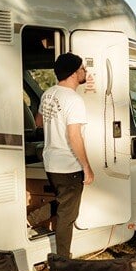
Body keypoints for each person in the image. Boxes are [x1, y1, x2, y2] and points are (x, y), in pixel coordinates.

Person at [36, 53, 94, 259]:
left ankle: (34, 216)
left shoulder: (48, 94)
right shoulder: (74, 100)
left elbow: (39, 122)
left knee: (63, 203)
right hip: (68, 165)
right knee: (67, 216)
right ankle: (63, 260)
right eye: (82, 69)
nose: (85, 72)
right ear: (72, 73)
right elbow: (74, 136)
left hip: (51, 162)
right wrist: (86, 166)